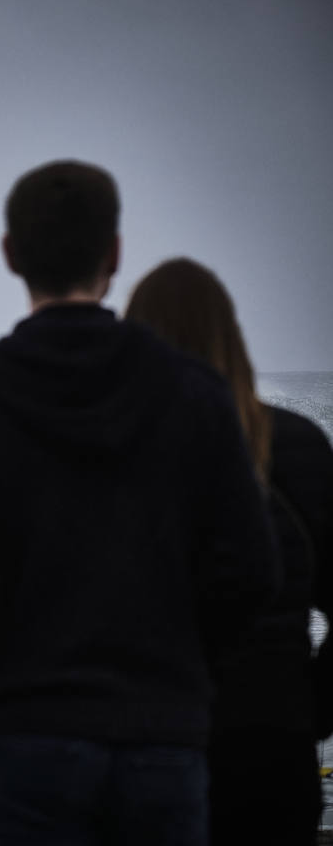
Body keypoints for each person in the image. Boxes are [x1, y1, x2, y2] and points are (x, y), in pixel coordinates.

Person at [0, 160, 277, 845]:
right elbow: (252, 569)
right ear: (114, 255)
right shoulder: (194, 391)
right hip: (163, 735)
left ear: (11, 254)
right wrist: (183, 680)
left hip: (33, 739)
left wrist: (6, 696)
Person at [125, 257, 333, 845]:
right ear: (232, 339)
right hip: (270, 764)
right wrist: (307, 713)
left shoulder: (104, 455)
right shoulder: (295, 445)